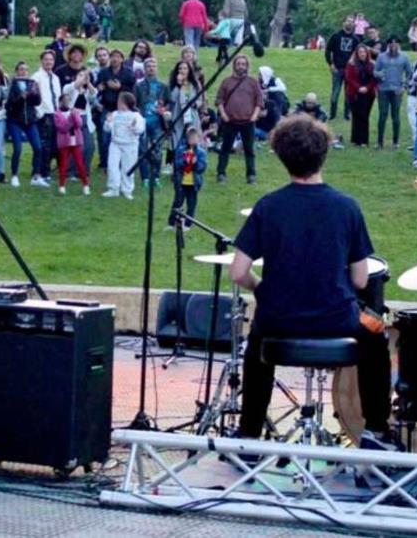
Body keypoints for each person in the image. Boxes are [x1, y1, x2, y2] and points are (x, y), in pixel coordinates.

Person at [230, 115, 396, 450]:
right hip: (337, 318)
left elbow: (237, 272)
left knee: (255, 343)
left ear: (281, 156)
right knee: (377, 336)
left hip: (279, 320)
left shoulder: (268, 206)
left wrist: (261, 288)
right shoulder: (347, 207)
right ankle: (376, 431)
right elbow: (362, 279)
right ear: (324, 154)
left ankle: (248, 434)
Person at [214, 54, 263, 184]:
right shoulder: (226, 82)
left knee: (249, 150)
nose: (241, 66)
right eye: (238, 64)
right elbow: (219, 100)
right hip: (230, 121)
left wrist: (254, 116)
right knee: (225, 148)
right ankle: (221, 173)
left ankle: (251, 174)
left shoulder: (253, 82)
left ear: (247, 66)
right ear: (234, 65)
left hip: (248, 121)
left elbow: (259, 101)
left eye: (243, 64)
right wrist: (223, 115)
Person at [97, 49, 135, 171]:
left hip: (123, 109)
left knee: (121, 135)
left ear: (122, 59)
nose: (114, 59)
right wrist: (101, 87)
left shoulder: (128, 73)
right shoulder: (104, 72)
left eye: (117, 57)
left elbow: (132, 90)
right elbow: (97, 86)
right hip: (107, 107)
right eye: (112, 56)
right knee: (105, 136)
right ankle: (105, 163)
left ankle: (120, 163)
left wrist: (120, 87)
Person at [6, 61, 43, 188]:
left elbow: (37, 102)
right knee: (17, 148)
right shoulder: (12, 84)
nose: (24, 72)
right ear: (17, 71)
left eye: (26, 70)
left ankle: (36, 175)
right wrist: (20, 97)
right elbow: (9, 103)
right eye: (21, 69)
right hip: (15, 120)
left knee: (38, 147)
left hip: (30, 120)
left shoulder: (32, 83)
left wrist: (36, 93)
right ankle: (14, 175)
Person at [135, 58, 170, 188]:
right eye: (148, 66)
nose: (151, 68)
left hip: (158, 123)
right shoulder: (138, 86)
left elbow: (169, 103)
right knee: (143, 149)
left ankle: (155, 177)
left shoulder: (163, 86)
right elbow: (134, 103)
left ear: (156, 68)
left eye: (153, 66)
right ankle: (144, 177)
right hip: (143, 121)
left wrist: (164, 109)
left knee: (157, 150)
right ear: (144, 69)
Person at [103, 91, 145, 199]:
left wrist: (134, 126)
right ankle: (113, 188)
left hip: (130, 145)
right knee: (112, 166)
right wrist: (108, 122)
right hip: (115, 144)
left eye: (120, 101)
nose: (118, 103)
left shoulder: (136, 115)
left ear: (126, 103)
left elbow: (140, 130)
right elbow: (106, 129)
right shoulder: (115, 114)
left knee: (128, 167)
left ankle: (127, 190)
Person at [375, 36, 412, 149]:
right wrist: (379, 74)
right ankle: (379, 142)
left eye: (396, 44)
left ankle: (395, 142)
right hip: (383, 89)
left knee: (395, 116)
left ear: (398, 45)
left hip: (397, 90)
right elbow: (375, 71)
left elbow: (410, 73)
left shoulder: (404, 57)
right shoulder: (381, 57)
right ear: (388, 45)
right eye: (391, 44)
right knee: (382, 115)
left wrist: (404, 86)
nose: (393, 46)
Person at [31, 50, 62, 186]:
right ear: (41, 61)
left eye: (51, 60)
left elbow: (58, 95)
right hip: (43, 114)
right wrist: (40, 112)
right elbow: (34, 97)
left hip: (54, 113)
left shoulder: (55, 78)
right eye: (46, 59)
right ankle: (39, 172)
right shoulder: (36, 77)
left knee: (53, 145)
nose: (49, 62)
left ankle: (46, 170)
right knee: (43, 145)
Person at [167, 126, 206, 231]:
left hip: (193, 183)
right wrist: (185, 161)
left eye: (195, 138)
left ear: (199, 139)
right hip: (181, 181)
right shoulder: (181, 150)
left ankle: (188, 224)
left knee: (191, 204)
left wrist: (196, 163)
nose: (192, 140)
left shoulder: (201, 152)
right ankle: (172, 223)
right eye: (190, 138)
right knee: (177, 202)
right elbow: (176, 164)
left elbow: (202, 168)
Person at [53, 92, 89, 195]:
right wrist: (71, 118)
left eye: (68, 100)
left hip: (76, 141)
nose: (67, 102)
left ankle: (85, 185)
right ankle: (62, 185)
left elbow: (79, 124)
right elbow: (63, 128)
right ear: (60, 102)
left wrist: (74, 116)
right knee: (64, 164)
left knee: (80, 163)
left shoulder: (75, 111)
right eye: (65, 100)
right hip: (65, 142)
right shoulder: (57, 114)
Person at [325, 17, 360, 120]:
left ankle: (347, 114)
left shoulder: (355, 39)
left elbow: (357, 53)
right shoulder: (336, 36)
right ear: (343, 23)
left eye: (352, 22)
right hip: (337, 68)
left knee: (348, 93)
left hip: (349, 70)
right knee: (335, 92)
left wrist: (354, 66)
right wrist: (331, 64)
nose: (350, 23)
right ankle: (332, 114)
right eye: (348, 21)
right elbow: (328, 50)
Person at [344, 45, 378, 147]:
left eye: (364, 52)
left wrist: (367, 88)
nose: (362, 54)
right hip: (354, 93)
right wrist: (358, 87)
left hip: (368, 94)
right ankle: (355, 139)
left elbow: (375, 79)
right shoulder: (351, 64)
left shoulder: (372, 64)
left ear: (367, 53)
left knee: (364, 116)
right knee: (356, 115)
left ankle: (364, 140)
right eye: (360, 52)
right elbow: (349, 78)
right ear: (357, 53)